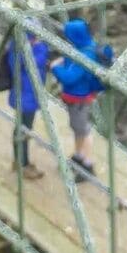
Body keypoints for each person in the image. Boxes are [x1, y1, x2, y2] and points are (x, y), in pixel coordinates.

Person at [50, 16, 115, 179]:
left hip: (79, 98)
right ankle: (79, 156)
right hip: (78, 97)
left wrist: (54, 68)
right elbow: (71, 59)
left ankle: (87, 165)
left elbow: (69, 78)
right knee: (78, 127)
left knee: (83, 130)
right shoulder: (86, 46)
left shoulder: (85, 56)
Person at [6, 29, 54, 181]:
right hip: (27, 98)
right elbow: (39, 59)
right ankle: (23, 165)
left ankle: (20, 161)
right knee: (24, 130)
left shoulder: (15, 49)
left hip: (22, 95)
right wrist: (41, 46)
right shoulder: (32, 52)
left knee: (21, 128)